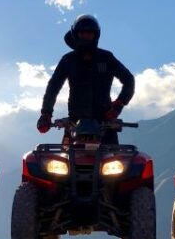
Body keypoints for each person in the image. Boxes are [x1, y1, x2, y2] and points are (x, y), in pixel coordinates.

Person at [38, 14, 135, 145]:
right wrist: (46, 114)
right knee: (60, 163)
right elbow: (53, 87)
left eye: (89, 33)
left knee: (120, 162)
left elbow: (129, 80)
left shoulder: (106, 58)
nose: (86, 36)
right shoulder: (68, 60)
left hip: (105, 123)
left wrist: (118, 105)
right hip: (75, 125)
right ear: (75, 35)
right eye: (82, 33)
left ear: (96, 35)